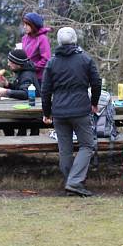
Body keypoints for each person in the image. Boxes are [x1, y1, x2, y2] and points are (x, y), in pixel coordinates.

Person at [40, 27, 101, 197]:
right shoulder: (85, 59)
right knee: (87, 145)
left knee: (65, 149)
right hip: (81, 110)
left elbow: (45, 91)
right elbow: (96, 83)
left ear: (58, 42)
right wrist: (94, 103)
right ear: (75, 40)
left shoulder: (52, 62)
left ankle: (71, 183)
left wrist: (47, 112)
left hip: (59, 112)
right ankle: (74, 182)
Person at [0, 48, 41, 136]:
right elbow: (20, 88)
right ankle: (15, 140)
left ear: (18, 64)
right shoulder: (23, 71)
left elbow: (25, 93)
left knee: (5, 122)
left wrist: (6, 92)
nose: (8, 64)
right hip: (28, 110)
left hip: (33, 113)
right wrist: (7, 84)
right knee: (6, 121)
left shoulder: (26, 75)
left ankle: (15, 142)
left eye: (10, 62)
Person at [22, 12, 52, 83]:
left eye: (27, 24)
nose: (24, 27)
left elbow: (46, 59)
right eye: (24, 24)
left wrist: (33, 67)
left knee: (35, 94)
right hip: (26, 76)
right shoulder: (24, 38)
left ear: (33, 25)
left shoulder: (42, 38)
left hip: (38, 78)